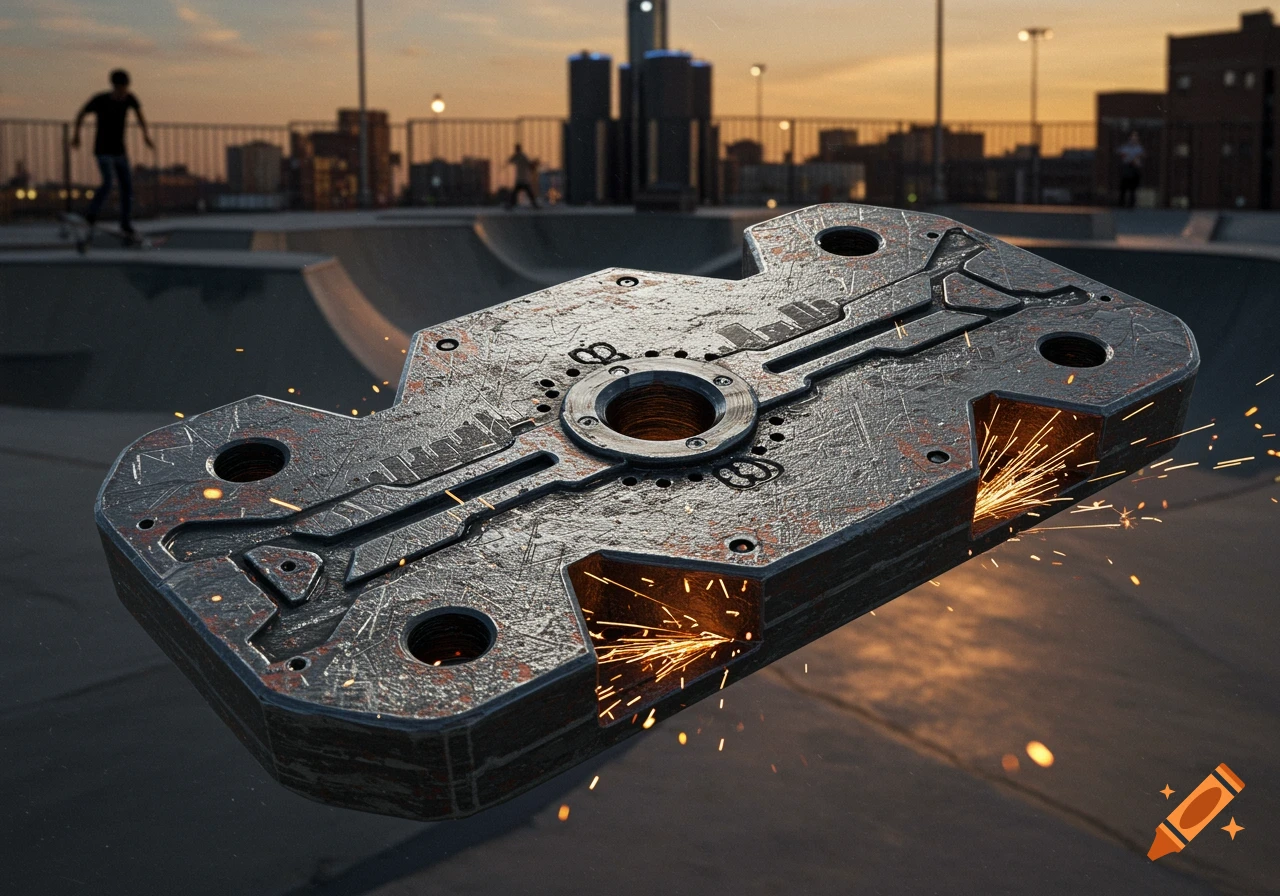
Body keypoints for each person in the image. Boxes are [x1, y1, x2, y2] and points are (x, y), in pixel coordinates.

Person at [71, 69, 153, 234]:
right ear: (115, 86)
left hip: (120, 151)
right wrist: (76, 136)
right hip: (102, 150)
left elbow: (140, 116)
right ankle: (91, 214)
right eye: (121, 88)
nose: (124, 92)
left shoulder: (130, 98)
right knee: (108, 182)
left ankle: (125, 223)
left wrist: (146, 135)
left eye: (126, 88)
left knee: (127, 187)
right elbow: (81, 113)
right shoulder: (100, 100)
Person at [1117, 131, 1145, 209]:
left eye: (1135, 138)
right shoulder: (1125, 147)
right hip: (1127, 167)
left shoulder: (1139, 148)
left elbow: (1141, 155)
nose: (1134, 140)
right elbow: (1121, 153)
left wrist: (1134, 158)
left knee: (1133, 188)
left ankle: (1131, 204)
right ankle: (1121, 203)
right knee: (1124, 187)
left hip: (1135, 168)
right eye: (1132, 138)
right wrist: (1131, 158)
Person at [506, 143, 539, 209]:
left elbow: (510, 160)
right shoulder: (521, 156)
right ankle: (534, 205)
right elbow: (530, 165)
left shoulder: (519, 156)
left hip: (521, 179)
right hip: (523, 179)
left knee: (515, 193)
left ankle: (511, 205)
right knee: (527, 193)